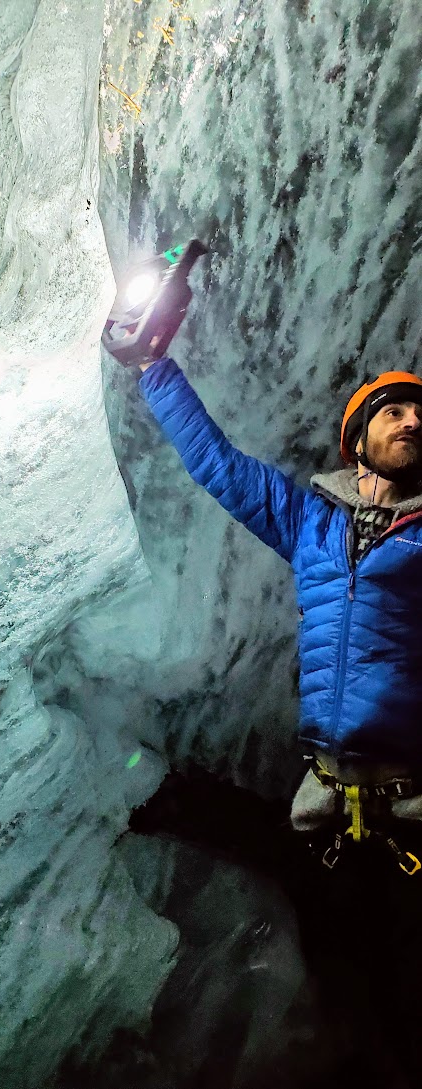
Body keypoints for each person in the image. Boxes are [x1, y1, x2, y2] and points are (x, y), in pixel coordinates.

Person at [137, 354, 422, 870]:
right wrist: (151, 365)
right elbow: (216, 463)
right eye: (394, 412)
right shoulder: (308, 524)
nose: (414, 421)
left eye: (421, 417)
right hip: (324, 807)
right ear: (357, 441)